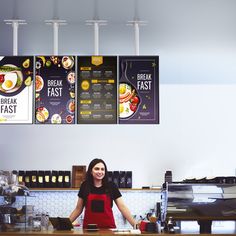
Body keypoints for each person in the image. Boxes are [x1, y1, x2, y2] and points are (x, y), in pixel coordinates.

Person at [69, 158, 137, 229]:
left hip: (108, 230)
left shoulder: (111, 186)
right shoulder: (85, 186)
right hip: (89, 230)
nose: (100, 171)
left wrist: (135, 225)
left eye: (102, 169)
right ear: (91, 171)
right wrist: (65, 224)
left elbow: (122, 207)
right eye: (97, 169)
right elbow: (78, 209)